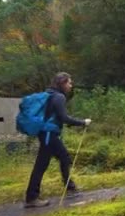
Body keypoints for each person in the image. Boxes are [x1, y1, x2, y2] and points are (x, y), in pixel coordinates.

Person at [25, 72, 91, 208]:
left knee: (63, 158)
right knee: (44, 163)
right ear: (62, 83)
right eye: (69, 82)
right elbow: (64, 118)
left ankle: (70, 187)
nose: (71, 85)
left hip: (45, 132)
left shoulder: (49, 94)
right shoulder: (59, 97)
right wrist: (83, 122)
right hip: (49, 133)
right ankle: (32, 197)